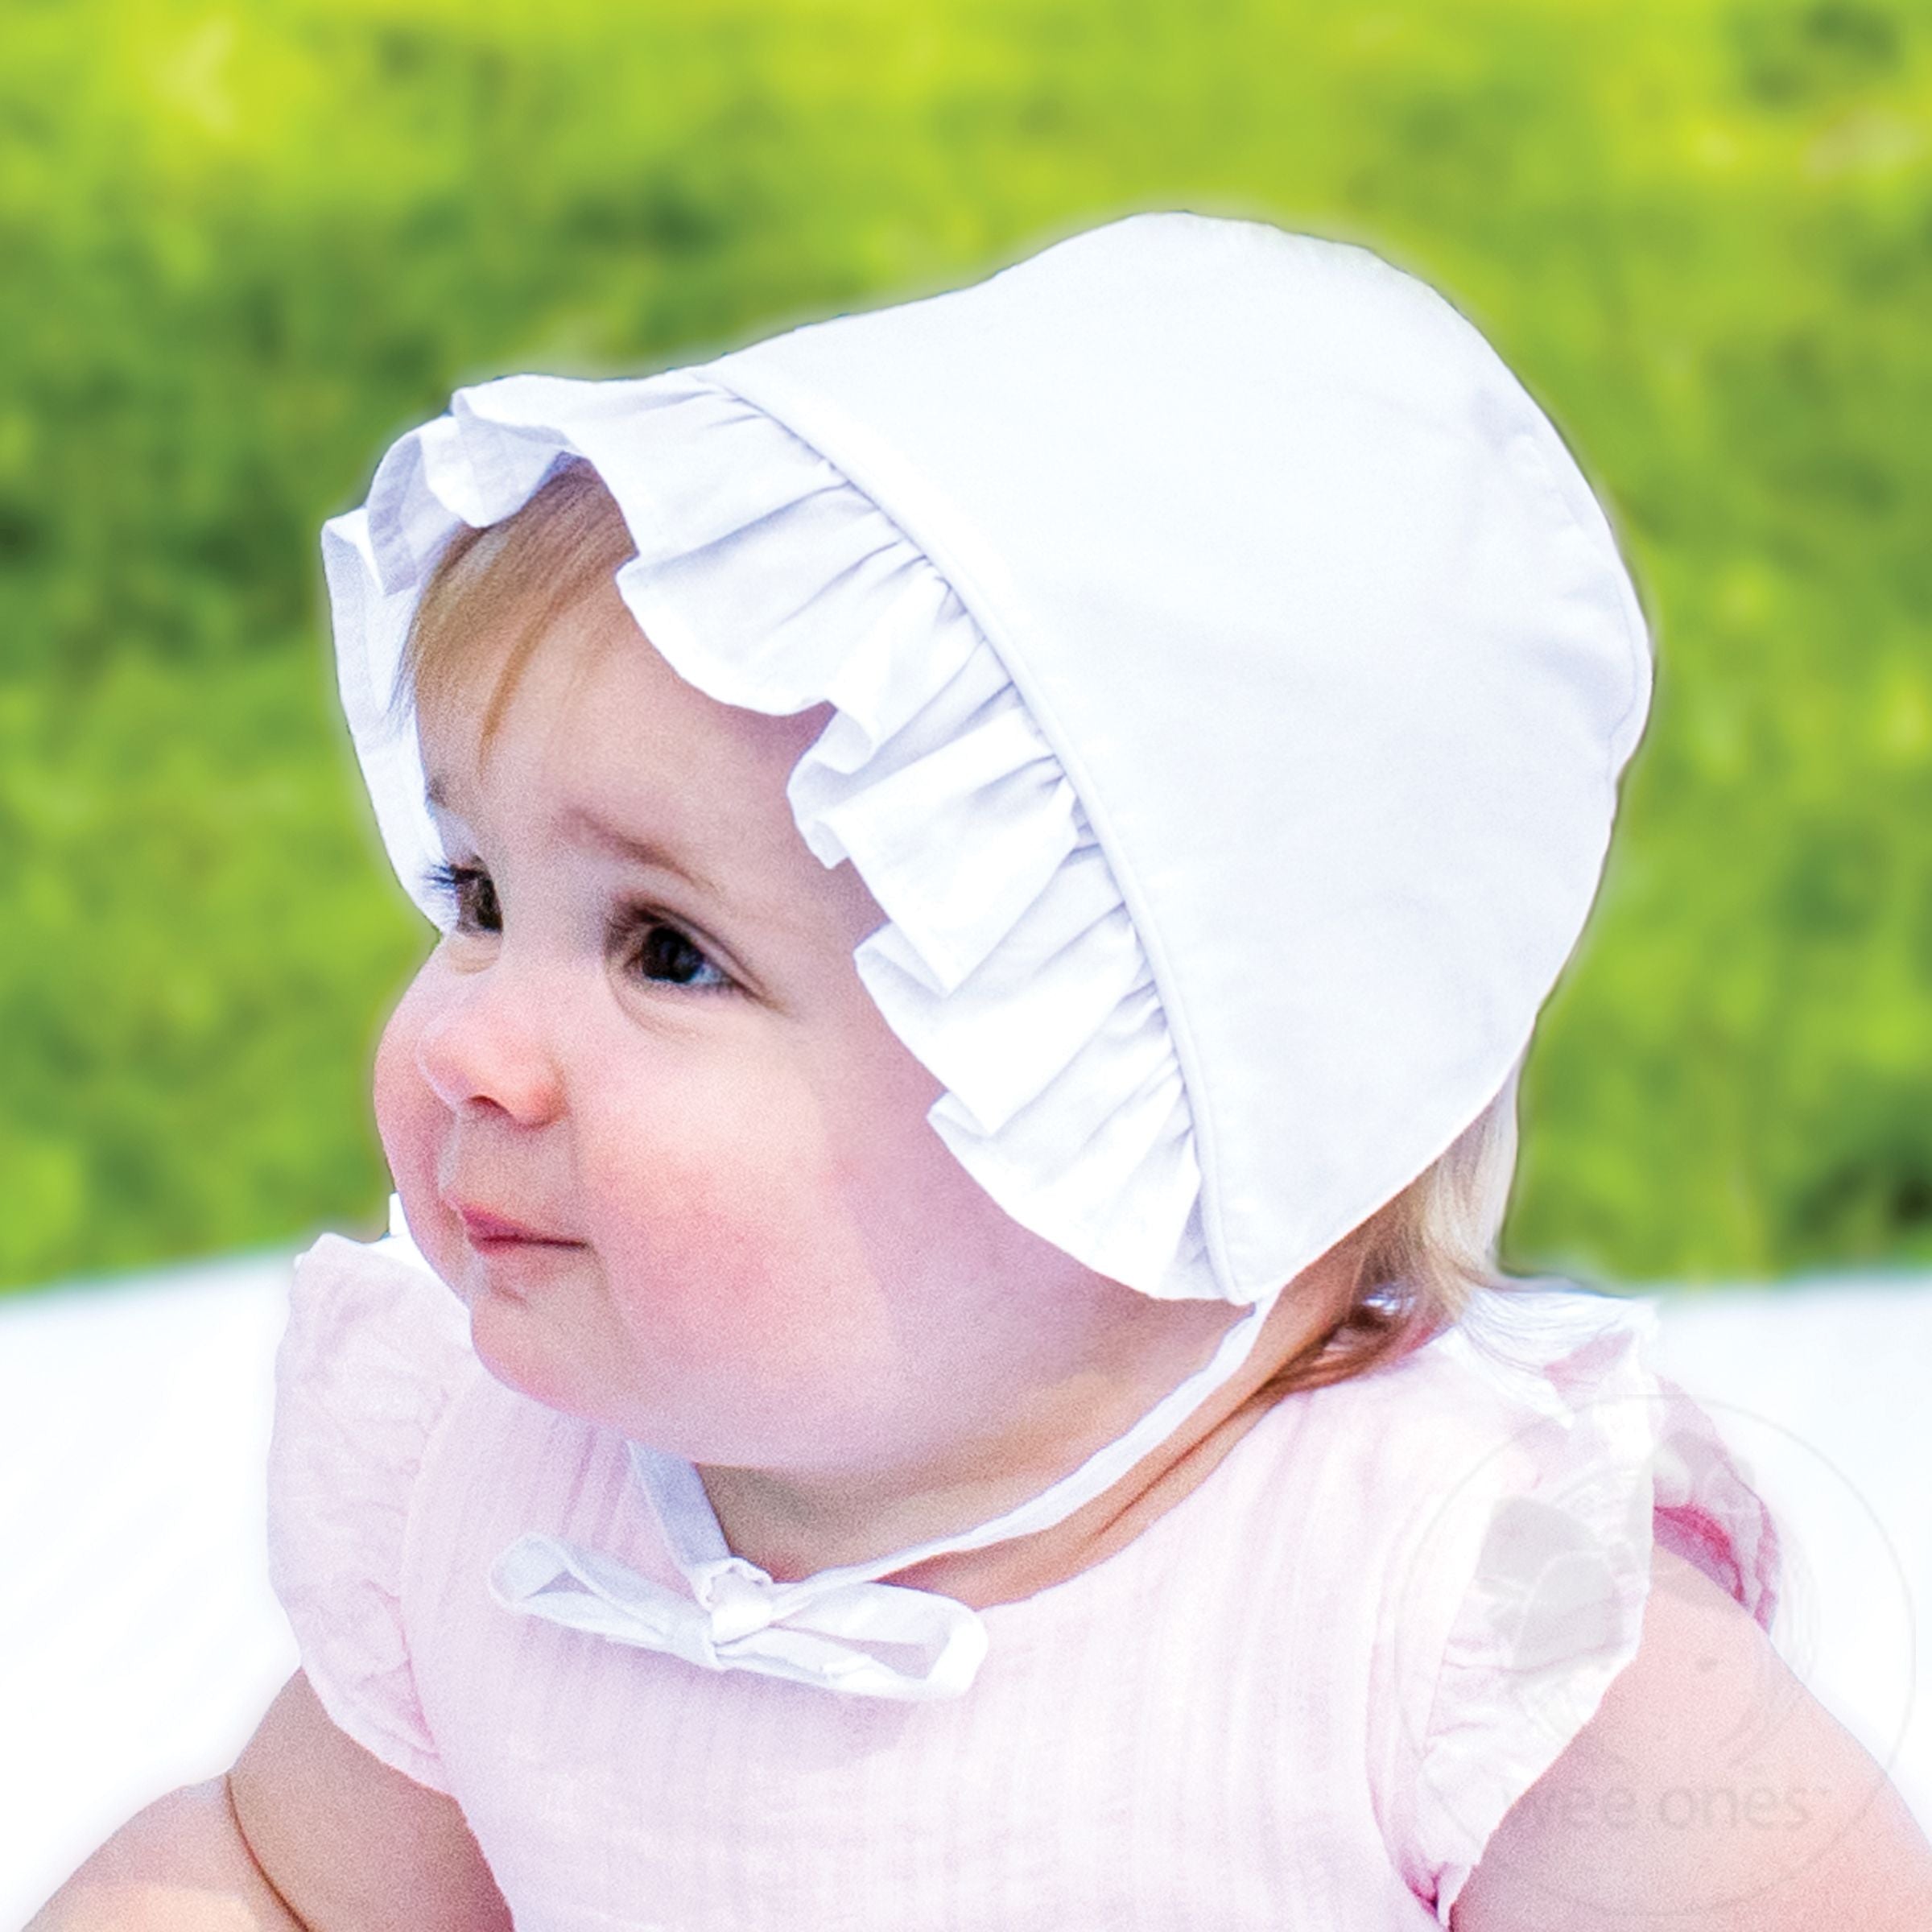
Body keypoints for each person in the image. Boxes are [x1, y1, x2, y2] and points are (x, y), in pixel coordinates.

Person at [33, 211, 1932, 1930]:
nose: (460, 1041)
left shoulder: (1444, 1619)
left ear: (1130, 1109)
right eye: (475, 892)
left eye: (667, 952)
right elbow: (279, 1885)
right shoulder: (500, 1496)